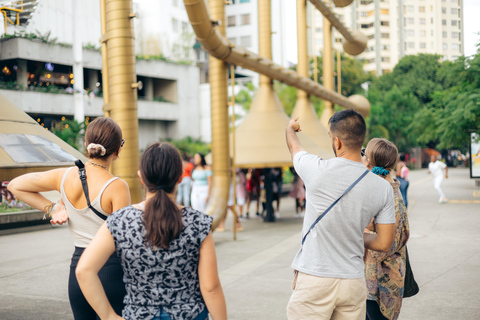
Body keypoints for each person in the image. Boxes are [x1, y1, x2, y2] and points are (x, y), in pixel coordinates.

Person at [76, 142, 227, 320]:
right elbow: (211, 288)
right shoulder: (199, 223)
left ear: (141, 177)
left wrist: (108, 316)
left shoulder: (120, 221)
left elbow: (84, 270)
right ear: (180, 177)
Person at [8, 117, 130, 319]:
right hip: (110, 271)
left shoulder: (64, 176)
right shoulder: (117, 186)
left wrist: (53, 208)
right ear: (118, 150)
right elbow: (124, 242)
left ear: (86, 144)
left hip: (78, 271)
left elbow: (15, 185)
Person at [285, 110, 396, 320]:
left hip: (314, 278)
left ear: (337, 142)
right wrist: (353, 234)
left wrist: (290, 128)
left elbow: (294, 147)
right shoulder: (383, 188)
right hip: (353, 283)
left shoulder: (316, 169)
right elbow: (384, 243)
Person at [362, 138, 410, 320]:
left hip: (381, 285)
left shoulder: (383, 194)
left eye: (365, 155)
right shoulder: (391, 186)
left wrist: (361, 234)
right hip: (384, 281)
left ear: (368, 162)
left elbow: (386, 242)